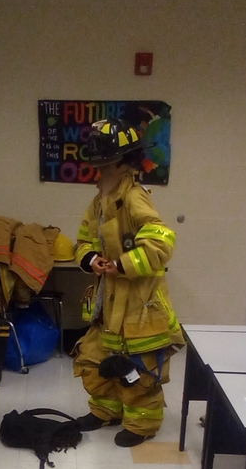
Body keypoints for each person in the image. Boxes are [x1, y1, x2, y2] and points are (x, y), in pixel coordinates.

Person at [72, 118, 184, 447]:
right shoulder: (99, 201)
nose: (99, 170)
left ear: (122, 161)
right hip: (108, 301)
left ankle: (141, 424)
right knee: (97, 359)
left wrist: (122, 264)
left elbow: (161, 242)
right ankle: (106, 410)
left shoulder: (135, 197)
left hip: (139, 303)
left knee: (139, 368)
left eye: (104, 162)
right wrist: (91, 259)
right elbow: (83, 240)